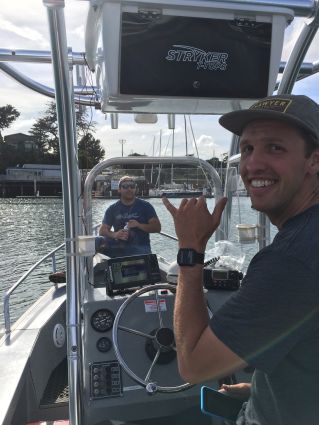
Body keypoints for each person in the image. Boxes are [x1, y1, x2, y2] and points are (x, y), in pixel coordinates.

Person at [162, 94, 319, 425]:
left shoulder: (291, 260)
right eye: (247, 149)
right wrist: (264, 386)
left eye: (274, 148)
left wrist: (190, 250)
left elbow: (193, 365)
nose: (253, 164)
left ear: (314, 160)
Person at [98, 175, 161, 257]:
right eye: (125, 186)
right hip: (119, 251)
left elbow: (157, 228)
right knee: (97, 241)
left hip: (141, 250)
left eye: (132, 186)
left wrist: (138, 225)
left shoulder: (146, 206)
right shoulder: (112, 209)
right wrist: (115, 234)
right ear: (119, 190)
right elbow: (102, 231)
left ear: (135, 189)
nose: (129, 189)